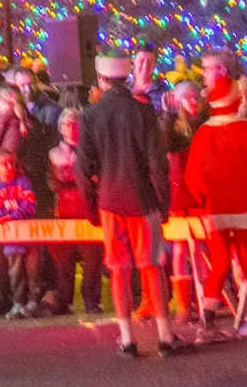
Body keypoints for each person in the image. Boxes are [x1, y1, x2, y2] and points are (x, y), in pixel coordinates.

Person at [77, 52, 186, 358]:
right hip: (142, 200)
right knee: (151, 267)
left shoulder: (90, 114)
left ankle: (127, 339)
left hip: (109, 202)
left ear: (102, 79)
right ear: (125, 78)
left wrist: (91, 207)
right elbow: (158, 165)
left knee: (118, 270)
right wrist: (163, 203)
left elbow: (82, 168)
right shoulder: (144, 111)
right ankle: (165, 336)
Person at [186, 75, 247, 340]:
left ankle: (207, 322)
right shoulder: (245, 128)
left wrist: (204, 198)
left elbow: (192, 176)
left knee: (220, 261)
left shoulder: (203, 132)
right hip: (242, 204)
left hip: (215, 207)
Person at [48, 109, 102, 316]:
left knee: (92, 259)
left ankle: (91, 300)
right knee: (64, 260)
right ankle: (63, 300)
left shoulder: (91, 151)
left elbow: (96, 177)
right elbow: (52, 182)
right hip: (64, 210)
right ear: (60, 128)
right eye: (68, 124)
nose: (72, 128)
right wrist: (74, 182)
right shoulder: (53, 154)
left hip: (88, 209)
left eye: (76, 124)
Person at [160, 79, 206, 322]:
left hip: (199, 192)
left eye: (195, 95)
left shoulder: (203, 122)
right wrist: (167, 117)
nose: (193, 100)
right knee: (179, 248)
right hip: (179, 193)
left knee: (201, 246)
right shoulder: (172, 125)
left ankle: (205, 298)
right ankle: (183, 304)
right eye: (187, 97)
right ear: (177, 101)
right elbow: (167, 145)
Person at [0, 150, 38, 319]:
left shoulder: (23, 182)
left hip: (29, 234)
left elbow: (29, 204)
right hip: (11, 238)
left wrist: (10, 217)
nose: (9, 166)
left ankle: (33, 302)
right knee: (15, 272)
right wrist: (9, 217)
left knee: (33, 269)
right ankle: (19, 302)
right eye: (4, 164)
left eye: (10, 162)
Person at [132, 43, 169, 114]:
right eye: (141, 61)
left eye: (150, 62)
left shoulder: (164, 93)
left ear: (155, 64)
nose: (145, 66)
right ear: (134, 62)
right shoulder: (124, 88)